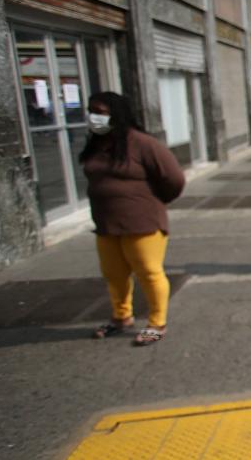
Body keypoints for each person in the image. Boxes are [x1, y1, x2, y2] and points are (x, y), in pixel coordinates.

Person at [81, 92, 185, 346]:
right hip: (106, 223)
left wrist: (153, 201)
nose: (94, 117)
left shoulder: (143, 143)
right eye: (91, 111)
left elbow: (174, 179)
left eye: (100, 112)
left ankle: (157, 323)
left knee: (149, 272)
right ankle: (121, 317)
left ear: (116, 114)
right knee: (113, 273)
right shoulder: (98, 143)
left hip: (142, 222)